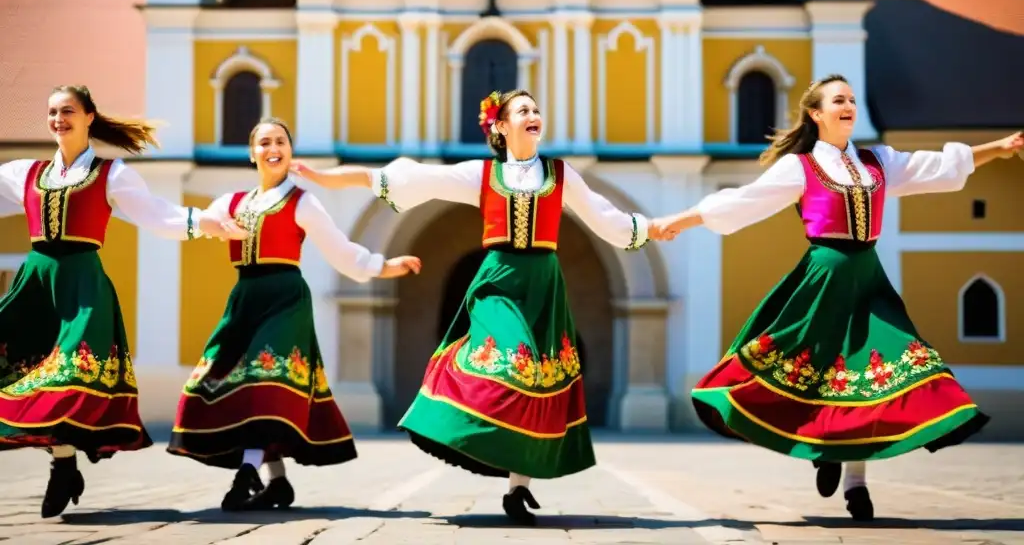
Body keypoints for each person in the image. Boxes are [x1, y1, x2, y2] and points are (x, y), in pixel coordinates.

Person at [651, 74, 1023, 522]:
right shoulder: (801, 167)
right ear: (816, 113)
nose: (849, 105)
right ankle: (824, 451)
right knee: (821, 372)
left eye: (852, 99)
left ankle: (856, 484)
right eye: (838, 100)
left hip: (868, 280)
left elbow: (938, 166)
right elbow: (744, 202)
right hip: (823, 278)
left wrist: (999, 148)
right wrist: (680, 219)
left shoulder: (878, 162)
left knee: (871, 373)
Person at [290, 89, 658, 525]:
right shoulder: (481, 175)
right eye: (523, 111)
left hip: (544, 285)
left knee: (538, 379)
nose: (534, 115)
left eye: (536, 110)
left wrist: (652, 228)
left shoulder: (562, 175)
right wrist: (328, 177)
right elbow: (412, 179)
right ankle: (454, 426)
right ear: (501, 127)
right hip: (499, 280)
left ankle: (518, 489)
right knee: (508, 362)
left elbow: (605, 217)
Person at [0, 85, 245, 519]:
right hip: (36, 285)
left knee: (65, 379)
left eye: (68, 111)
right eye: (53, 112)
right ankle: (64, 464)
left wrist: (206, 223)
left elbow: (158, 215)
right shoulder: (24, 173)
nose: (59, 119)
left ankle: (62, 468)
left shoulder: (111, 174)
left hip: (82, 289)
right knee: (24, 375)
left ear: (90, 116)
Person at [168, 118, 423, 512]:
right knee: (223, 382)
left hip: (285, 299)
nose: (274, 148)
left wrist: (385, 266)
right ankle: (279, 484)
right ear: (252, 153)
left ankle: (247, 473)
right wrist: (197, 224)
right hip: (245, 299)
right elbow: (195, 224)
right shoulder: (231, 203)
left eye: (281, 141)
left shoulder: (302, 201)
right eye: (265, 142)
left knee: (266, 384)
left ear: (290, 151)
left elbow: (340, 250)